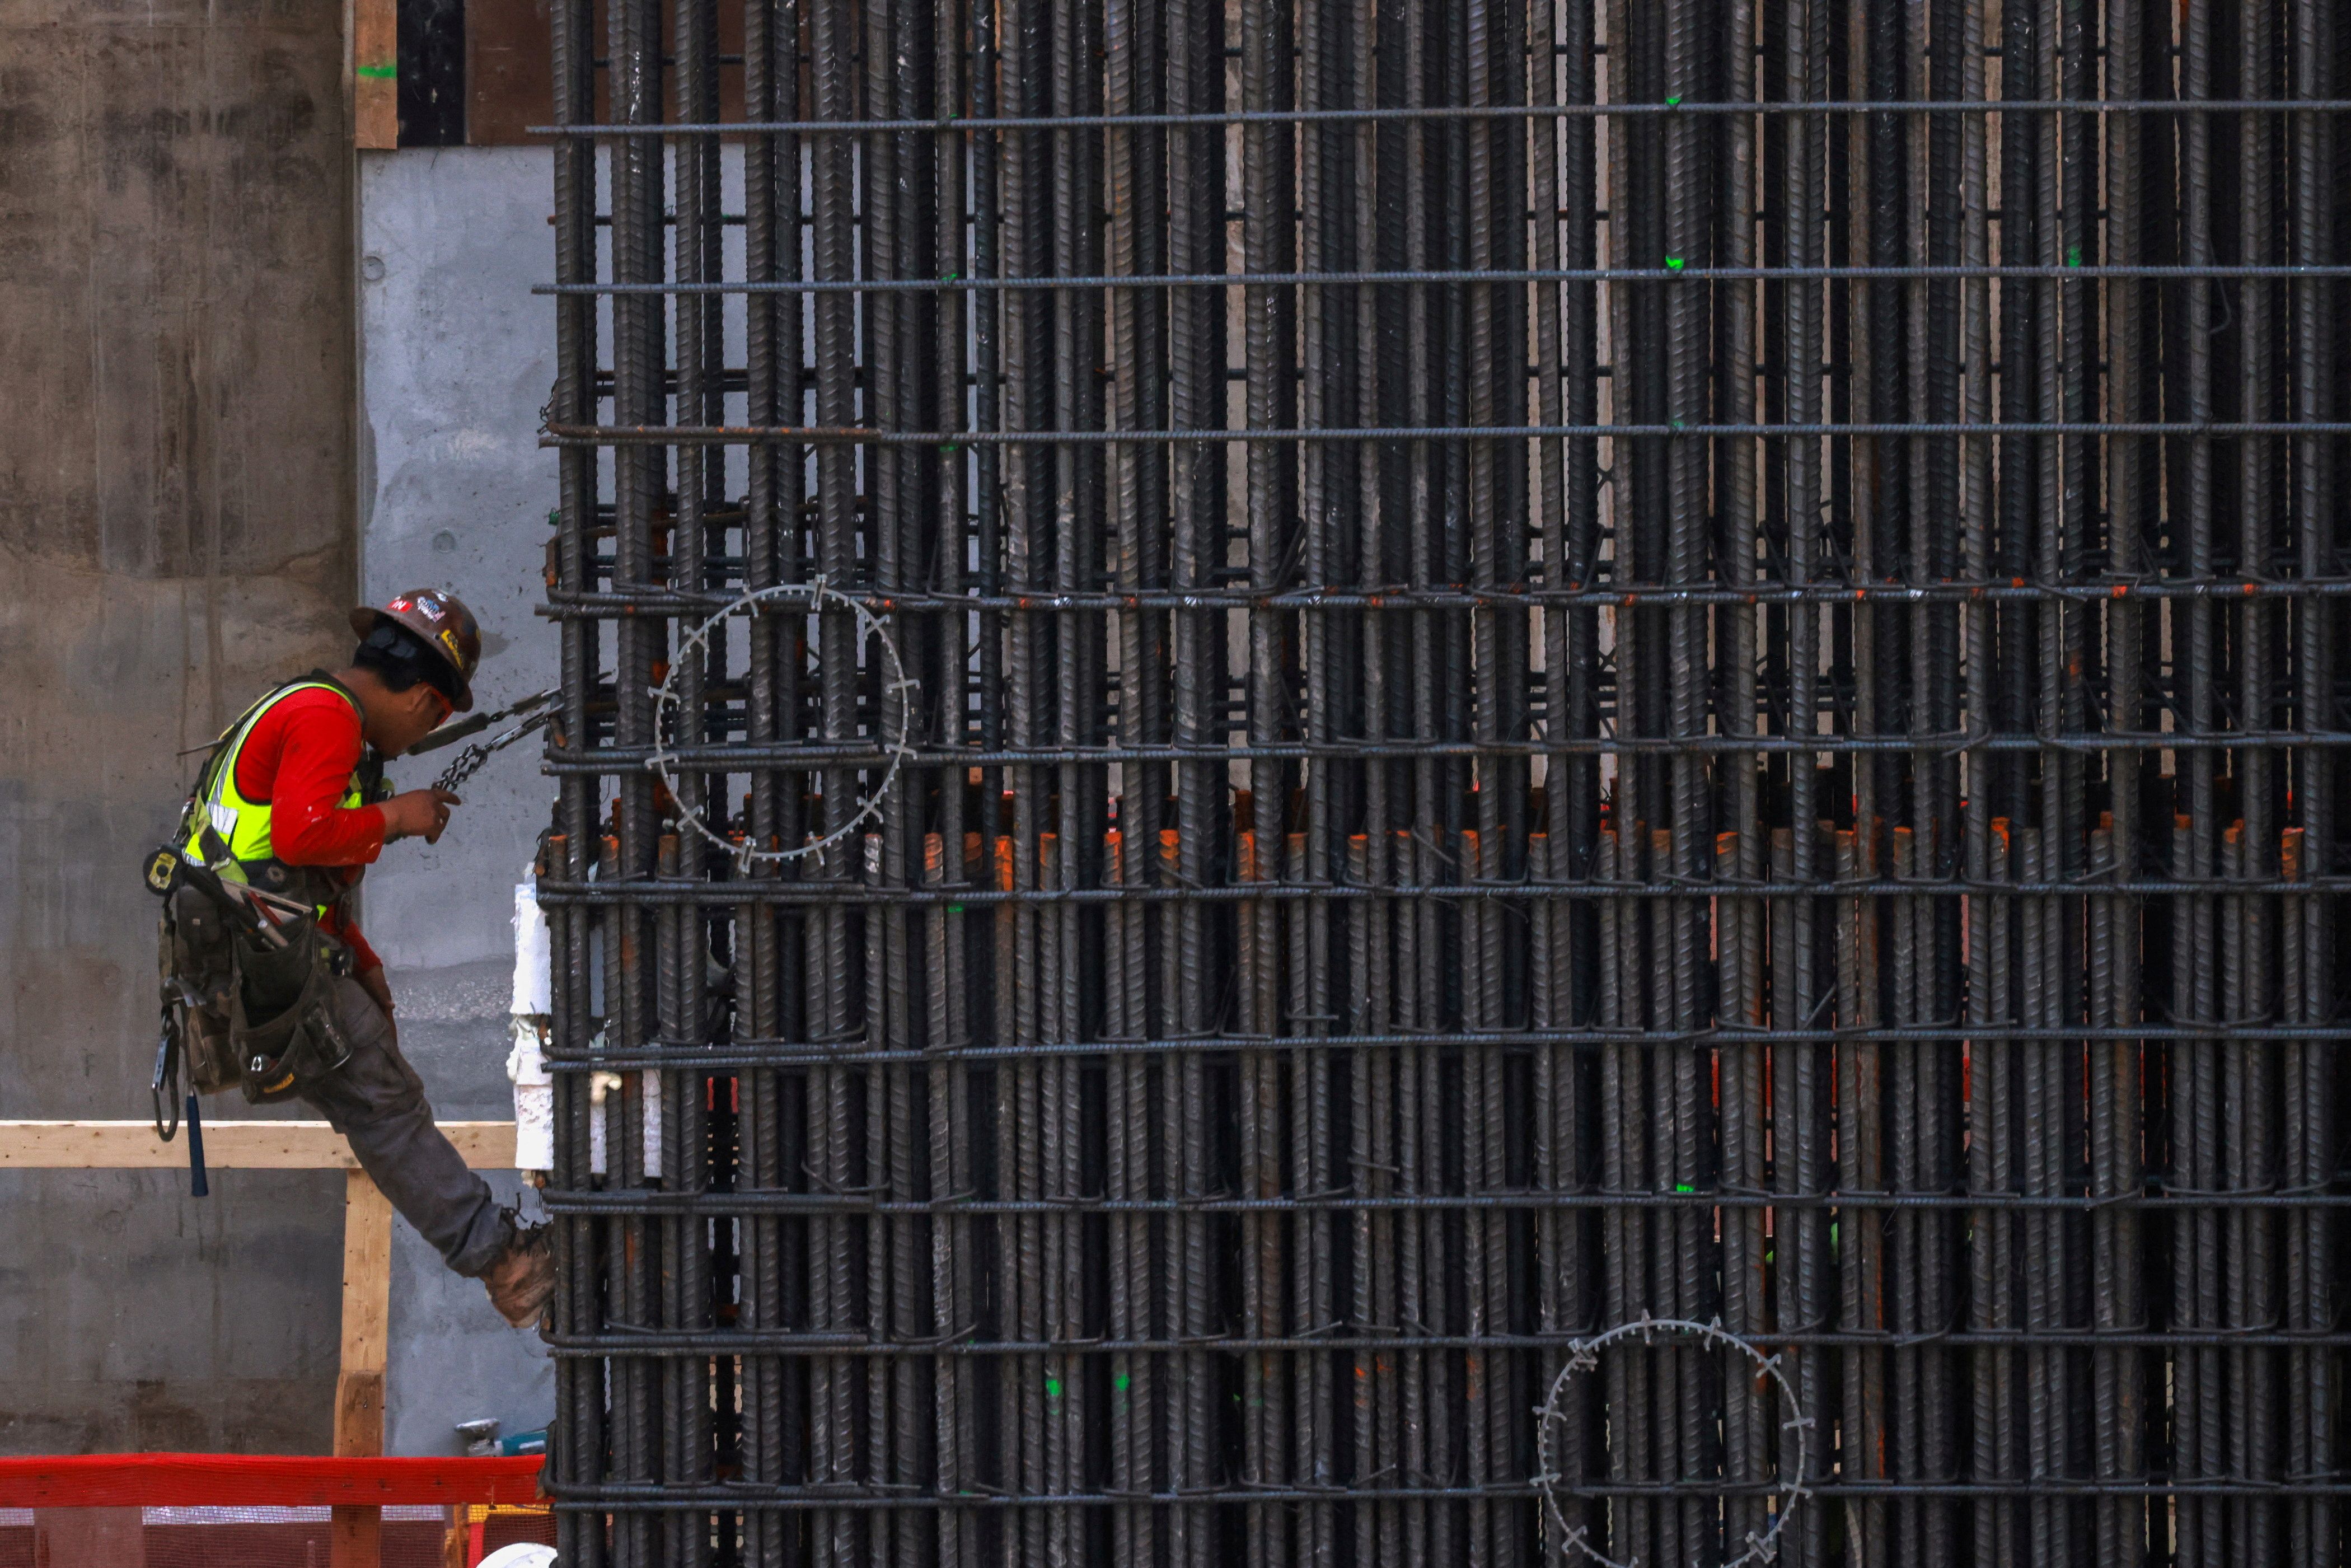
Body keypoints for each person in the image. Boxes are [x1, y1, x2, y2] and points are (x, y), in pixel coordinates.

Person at [167, 591, 554, 1327]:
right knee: (384, 1108)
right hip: (265, 964)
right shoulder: (326, 718)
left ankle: (504, 1259)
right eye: (435, 717)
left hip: (261, 952)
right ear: (426, 701)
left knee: (381, 1101)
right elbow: (301, 837)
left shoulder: (306, 708)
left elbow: (285, 880)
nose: (424, 733)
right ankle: (508, 1265)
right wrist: (397, 816)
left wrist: (364, 961)